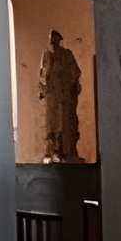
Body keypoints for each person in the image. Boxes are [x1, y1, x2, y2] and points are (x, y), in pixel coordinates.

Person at [40, 28, 83, 159]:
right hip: (52, 95)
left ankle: (66, 150)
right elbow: (42, 73)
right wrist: (43, 88)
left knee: (65, 123)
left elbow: (75, 72)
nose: (53, 41)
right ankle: (53, 150)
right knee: (52, 123)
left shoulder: (67, 54)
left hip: (64, 95)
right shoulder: (46, 54)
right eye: (51, 38)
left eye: (55, 38)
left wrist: (69, 83)